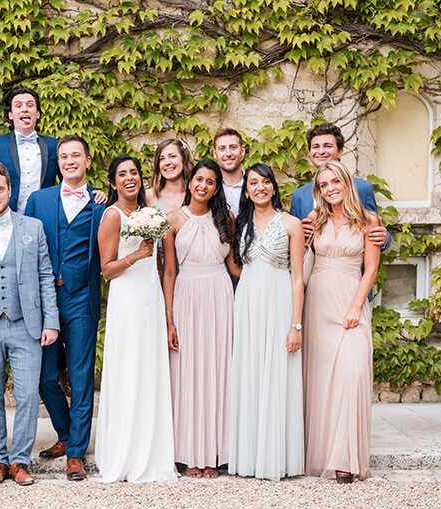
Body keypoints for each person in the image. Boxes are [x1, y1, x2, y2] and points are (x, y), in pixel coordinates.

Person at [0, 161, 59, 486]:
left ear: (9, 190)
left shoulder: (33, 227)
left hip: (26, 323)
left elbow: (46, 275)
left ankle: (20, 461)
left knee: (28, 395)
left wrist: (51, 322)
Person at [24, 134, 105, 481]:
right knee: (44, 376)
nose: (70, 161)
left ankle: (75, 453)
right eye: (64, 156)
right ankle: (65, 431)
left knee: (82, 376)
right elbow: (22, 242)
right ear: (58, 164)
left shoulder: (102, 205)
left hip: (82, 298)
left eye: (76, 156)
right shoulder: (38, 200)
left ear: (87, 161)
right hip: (45, 300)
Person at [95, 155, 176, 483]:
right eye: (122, 174)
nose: (130, 178)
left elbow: (165, 263)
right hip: (127, 298)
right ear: (113, 183)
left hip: (150, 296)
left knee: (150, 369)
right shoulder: (112, 216)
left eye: (134, 173)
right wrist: (139, 254)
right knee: (129, 368)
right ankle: (125, 453)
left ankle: (153, 451)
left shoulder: (152, 215)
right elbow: (107, 270)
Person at [303, 161, 381, 484]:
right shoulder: (313, 220)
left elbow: (371, 269)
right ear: (318, 191)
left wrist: (356, 306)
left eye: (335, 182)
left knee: (351, 373)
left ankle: (348, 457)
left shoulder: (369, 220)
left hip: (351, 299)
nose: (330, 188)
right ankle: (325, 456)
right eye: (323, 185)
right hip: (318, 303)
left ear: (347, 183)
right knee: (323, 381)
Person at [162, 159, 240, 479]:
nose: (203, 185)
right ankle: (190, 453)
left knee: (218, 370)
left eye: (210, 181)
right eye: (199, 179)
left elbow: (235, 267)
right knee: (188, 372)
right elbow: (168, 271)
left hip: (220, 294)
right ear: (190, 182)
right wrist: (169, 319)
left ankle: (215, 453)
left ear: (216, 187)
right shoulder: (172, 220)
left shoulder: (228, 219)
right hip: (187, 294)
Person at [228, 163, 305, 481]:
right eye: (253, 183)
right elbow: (234, 264)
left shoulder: (291, 224)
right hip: (247, 304)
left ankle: (276, 458)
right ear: (246, 191)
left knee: (276, 374)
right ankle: (248, 458)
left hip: (278, 304)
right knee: (249, 374)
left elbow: (298, 276)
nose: (260, 187)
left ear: (274, 187)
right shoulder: (240, 223)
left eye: (265, 182)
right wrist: (249, 284)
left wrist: (295, 324)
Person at [289, 122, 389, 249]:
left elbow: (375, 229)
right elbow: (289, 241)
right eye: (315, 147)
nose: (321, 151)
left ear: (340, 151)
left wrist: (384, 238)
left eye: (328, 146)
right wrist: (297, 233)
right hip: (312, 267)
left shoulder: (363, 189)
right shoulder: (299, 195)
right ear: (310, 153)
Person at [0, 85, 60, 216]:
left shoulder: (53, 145)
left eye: (30, 105)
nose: (24, 109)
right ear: (10, 115)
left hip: (44, 217)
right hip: (6, 217)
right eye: (18, 106)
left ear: (38, 113)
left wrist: (91, 193)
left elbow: (69, 180)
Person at [145, 139, 194, 213]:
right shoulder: (148, 196)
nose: (167, 162)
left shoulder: (195, 196)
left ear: (184, 159)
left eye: (172, 156)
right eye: (161, 159)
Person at [212, 128, 246, 216]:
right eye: (222, 148)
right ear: (215, 154)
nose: (228, 154)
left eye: (233, 147)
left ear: (242, 151)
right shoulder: (209, 187)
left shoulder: (255, 184)